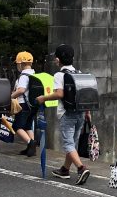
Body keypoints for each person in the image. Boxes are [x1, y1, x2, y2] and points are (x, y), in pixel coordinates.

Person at [37, 44, 91, 185]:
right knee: (72, 143)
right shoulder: (78, 72)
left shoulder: (59, 75)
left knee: (68, 143)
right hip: (80, 113)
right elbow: (84, 94)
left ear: (57, 60)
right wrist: (87, 112)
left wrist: (43, 98)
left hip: (67, 113)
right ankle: (65, 170)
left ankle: (81, 168)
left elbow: (59, 94)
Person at [10, 51, 40, 156]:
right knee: (27, 126)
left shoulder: (24, 76)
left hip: (23, 104)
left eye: (17, 64)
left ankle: (30, 143)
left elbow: (21, 90)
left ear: (21, 64)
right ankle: (31, 148)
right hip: (33, 105)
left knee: (17, 126)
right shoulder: (34, 74)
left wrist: (11, 96)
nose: (17, 66)